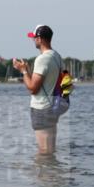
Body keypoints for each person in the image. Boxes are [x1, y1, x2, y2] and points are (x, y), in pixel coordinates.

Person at [12, 25, 65, 155]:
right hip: (54, 106)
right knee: (50, 151)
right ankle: (52, 175)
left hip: (42, 109)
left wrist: (23, 71)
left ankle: (44, 175)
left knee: (44, 153)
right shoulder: (57, 56)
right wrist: (28, 71)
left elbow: (33, 88)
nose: (33, 40)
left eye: (34, 37)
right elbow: (46, 82)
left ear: (40, 39)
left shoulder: (42, 59)